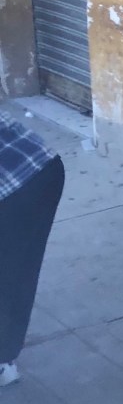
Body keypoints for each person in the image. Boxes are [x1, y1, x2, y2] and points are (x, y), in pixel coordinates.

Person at [0, 110, 65, 385]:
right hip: (44, 166)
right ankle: (6, 355)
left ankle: (3, 361)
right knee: (18, 270)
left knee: (9, 273)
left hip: (21, 182)